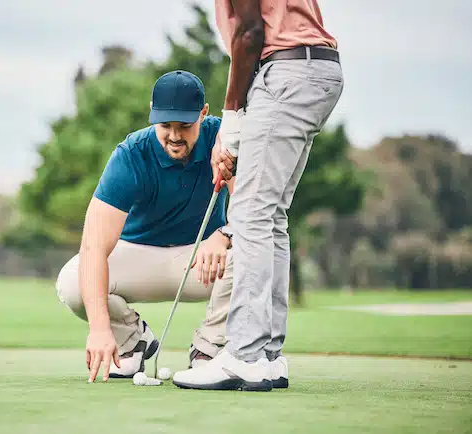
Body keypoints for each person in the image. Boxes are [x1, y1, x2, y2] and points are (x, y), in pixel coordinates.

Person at [172, 0, 344, 391]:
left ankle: (243, 355)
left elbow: (250, 34)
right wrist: (240, 119)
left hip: (286, 71)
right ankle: (268, 357)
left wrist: (231, 119)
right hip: (313, 70)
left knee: (249, 214)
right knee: (271, 217)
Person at [55, 70, 237, 382]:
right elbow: (94, 246)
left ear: (204, 113)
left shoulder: (223, 141)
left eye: (185, 126)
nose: (175, 135)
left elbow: (255, 212)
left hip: (202, 260)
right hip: (137, 256)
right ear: (152, 115)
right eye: (166, 125)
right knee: (73, 282)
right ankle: (131, 343)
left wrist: (224, 235)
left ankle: (209, 349)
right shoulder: (131, 155)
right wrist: (99, 329)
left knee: (257, 254)